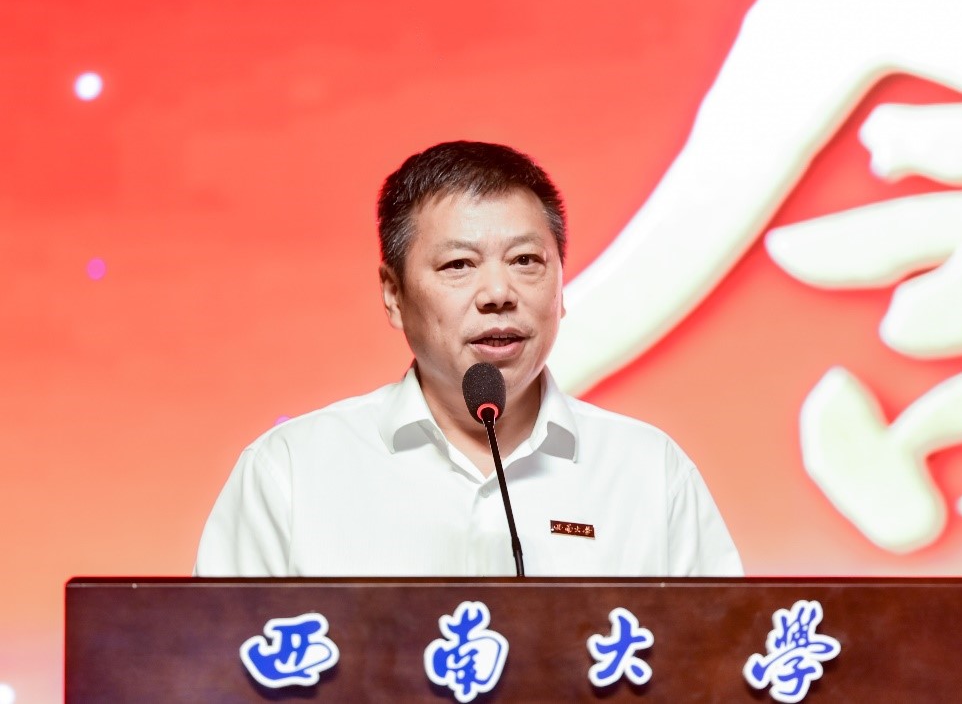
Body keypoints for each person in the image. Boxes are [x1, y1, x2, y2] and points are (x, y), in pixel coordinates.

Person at [195, 141, 742, 577]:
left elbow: (720, 659)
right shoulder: (293, 471)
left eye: (525, 260)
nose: (498, 293)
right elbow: (212, 664)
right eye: (459, 265)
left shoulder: (647, 471)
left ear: (560, 287)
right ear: (393, 294)